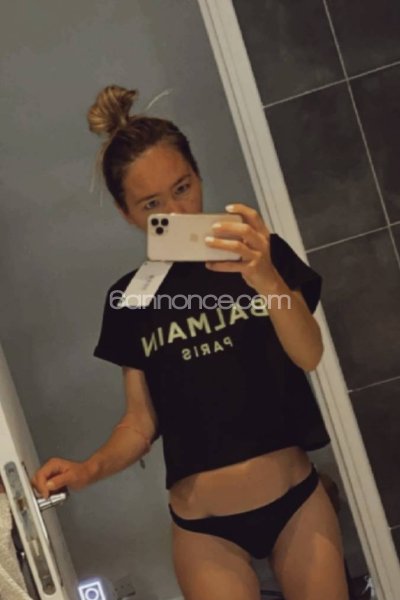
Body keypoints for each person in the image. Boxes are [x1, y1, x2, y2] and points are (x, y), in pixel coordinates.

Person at [32, 85, 350, 600]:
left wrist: (266, 279)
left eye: (183, 188)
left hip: (296, 503)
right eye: (153, 204)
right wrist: (88, 470)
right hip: (205, 532)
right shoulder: (130, 298)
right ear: (127, 213)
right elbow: (139, 422)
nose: (177, 213)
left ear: (198, 174)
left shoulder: (259, 254)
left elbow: (309, 354)